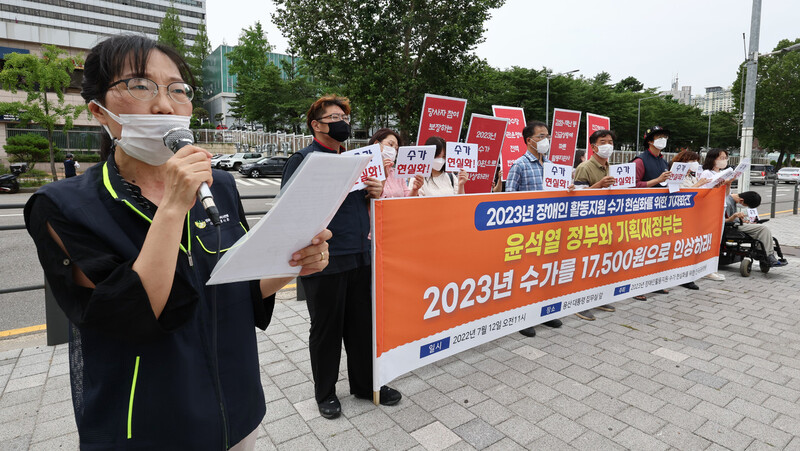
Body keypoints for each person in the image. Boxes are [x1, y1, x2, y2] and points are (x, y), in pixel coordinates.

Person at [23, 35, 331, 449]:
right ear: (99, 111)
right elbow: (132, 315)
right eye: (140, 85)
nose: (165, 105)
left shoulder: (219, 185)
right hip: (148, 426)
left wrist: (294, 263)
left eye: (178, 90)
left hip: (236, 410)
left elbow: (235, 290)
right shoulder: (64, 206)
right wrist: (171, 208)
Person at [281, 95, 401, 420]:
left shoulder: (355, 161)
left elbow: (363, 205)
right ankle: (325, 393)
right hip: (325, 260)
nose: (342, 122)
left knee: (363, 328)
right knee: (327, 329)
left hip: (361, 255)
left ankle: (364, 385)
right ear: (316, 124)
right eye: (334, 116)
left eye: (345, 117)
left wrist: (375, 192)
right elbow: (288, 210)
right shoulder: (304, 159)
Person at [504, 121, 562, 336]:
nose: (545, 140)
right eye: (541, 136)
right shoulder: (519, 165)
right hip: (527, 232)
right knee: (526, 275)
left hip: (550, 230)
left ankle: (544, 313)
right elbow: (510, 199)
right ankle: (523, 318)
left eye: (547, 136)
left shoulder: (551, 166)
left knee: (545, 273)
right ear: (529, 140)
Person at [570, 130, 619, 320]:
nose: (608, 145)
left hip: (604, 222)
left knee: (598, 263)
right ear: (593, 146)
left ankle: (597, 297)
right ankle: (578, 302)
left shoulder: (610, 167)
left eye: (610, 142)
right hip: (586, 225)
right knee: (583, 263)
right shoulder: (584, 167)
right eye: (603, 142)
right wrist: (599, 185)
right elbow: (580, 200)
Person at [725, 191, 787, 268]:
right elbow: (723, 220)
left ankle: (765, 253)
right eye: (746, 205)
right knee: (763, 229)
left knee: (761, 229)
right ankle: (768, 255)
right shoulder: (728, 202)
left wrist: (742, 220)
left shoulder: (731, 200)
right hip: (731, 226)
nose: (744, 206)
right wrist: (734, 217)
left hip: (737, 224)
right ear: (741, 200)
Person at [368, 128, 419, 198]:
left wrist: (415, 189)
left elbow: (407, 198)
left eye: (396, 148)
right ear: (376, 143)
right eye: (391, 144)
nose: (393, 150)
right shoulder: (366, 171)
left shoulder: (396, 173)